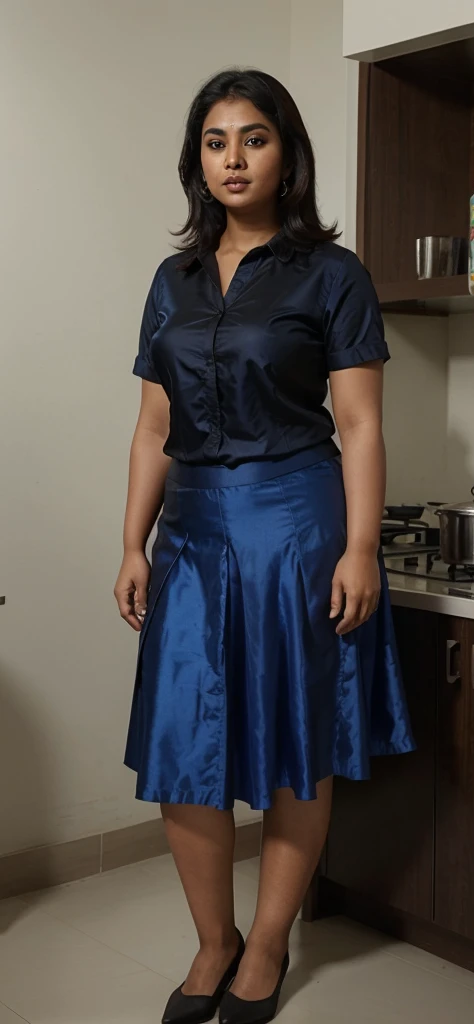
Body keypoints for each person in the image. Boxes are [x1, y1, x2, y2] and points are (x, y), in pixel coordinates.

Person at [115, 67, 415, 1024]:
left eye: (253, 138)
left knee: (294, 743)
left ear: (288, 154)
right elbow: (152, 425)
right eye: (214, 141)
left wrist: (360, 546)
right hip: (192, 533)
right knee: (181, 745)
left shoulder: (333, 273)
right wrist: (130, 542)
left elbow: (361, 425)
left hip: (295, 524)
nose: (232, 158)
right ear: (195, 161)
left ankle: (271, 943)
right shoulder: (173, 280)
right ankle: (214, 942)